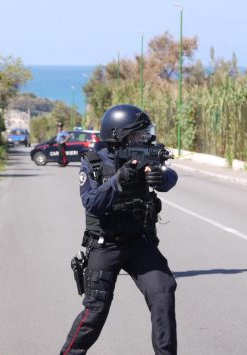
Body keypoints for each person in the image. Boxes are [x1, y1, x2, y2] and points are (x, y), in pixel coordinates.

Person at [60, 104, 179, 355]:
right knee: (96, 310)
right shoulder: (92, 163)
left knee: (163, 291)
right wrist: (119, 180)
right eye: (138, 135)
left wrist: (161, 178)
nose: (144, 139)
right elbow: (91, 202)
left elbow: (170, 176)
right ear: (118, 136)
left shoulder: (146, 154)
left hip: (139, 243)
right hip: (105, 244)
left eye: (145, 134)